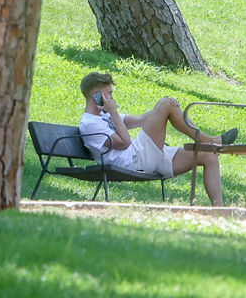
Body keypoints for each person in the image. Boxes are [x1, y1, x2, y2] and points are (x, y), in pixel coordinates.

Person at [77, 71, 237, 207]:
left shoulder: (105, 114)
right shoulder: (89, 124)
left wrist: (165, 109)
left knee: (208, 155)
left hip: (145, 157)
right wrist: (114, 113)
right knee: (165, 105)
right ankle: (209, 140)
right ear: (96, 96)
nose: (112, 97)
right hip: (133, 161)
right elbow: (124, 143)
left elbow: (141, 119)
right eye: (109, 94)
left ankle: (220, 210)